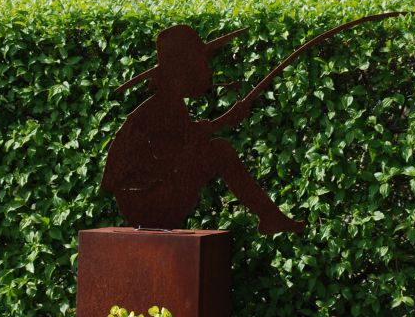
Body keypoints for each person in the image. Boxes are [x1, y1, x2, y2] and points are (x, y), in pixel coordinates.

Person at [101, 24, 306, 233]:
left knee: (217, 150)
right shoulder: (161, 107)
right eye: (201, 64)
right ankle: (270, 216)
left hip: (150, 193)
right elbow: (176, 151)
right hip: (145, 201)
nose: (207, 71)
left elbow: (187, 137)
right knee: (220, 152)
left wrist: (225, 120)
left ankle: (270, 216)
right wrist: (225, 120)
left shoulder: (170, 104)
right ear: (183, 69)